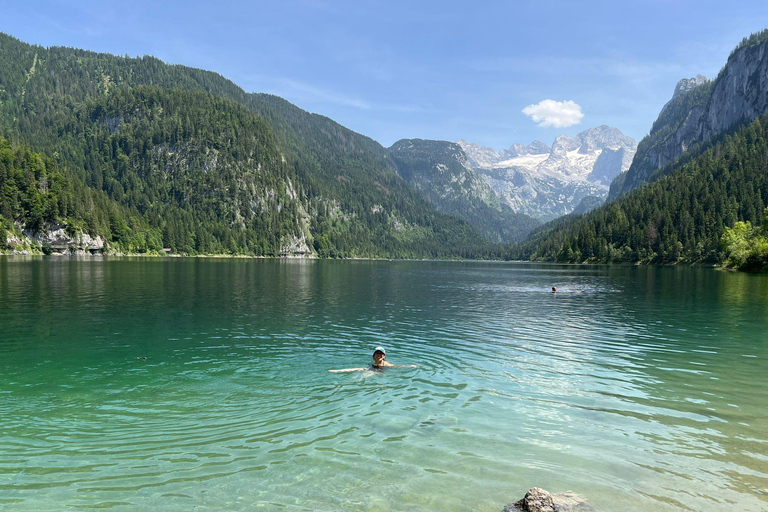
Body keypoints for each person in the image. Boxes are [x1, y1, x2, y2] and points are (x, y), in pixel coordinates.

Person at [329, 346, 417, 373]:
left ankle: (347, 384)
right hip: (371, 369)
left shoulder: (386, 364)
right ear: (374, 356)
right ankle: (338, 371)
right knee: (358, 369)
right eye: (377, 354)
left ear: (384, 356)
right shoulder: (372, 362)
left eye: (380, 354)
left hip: (378, 372)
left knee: (365, 375)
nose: (379, 355)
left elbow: (398, 367)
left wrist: (410, 366)